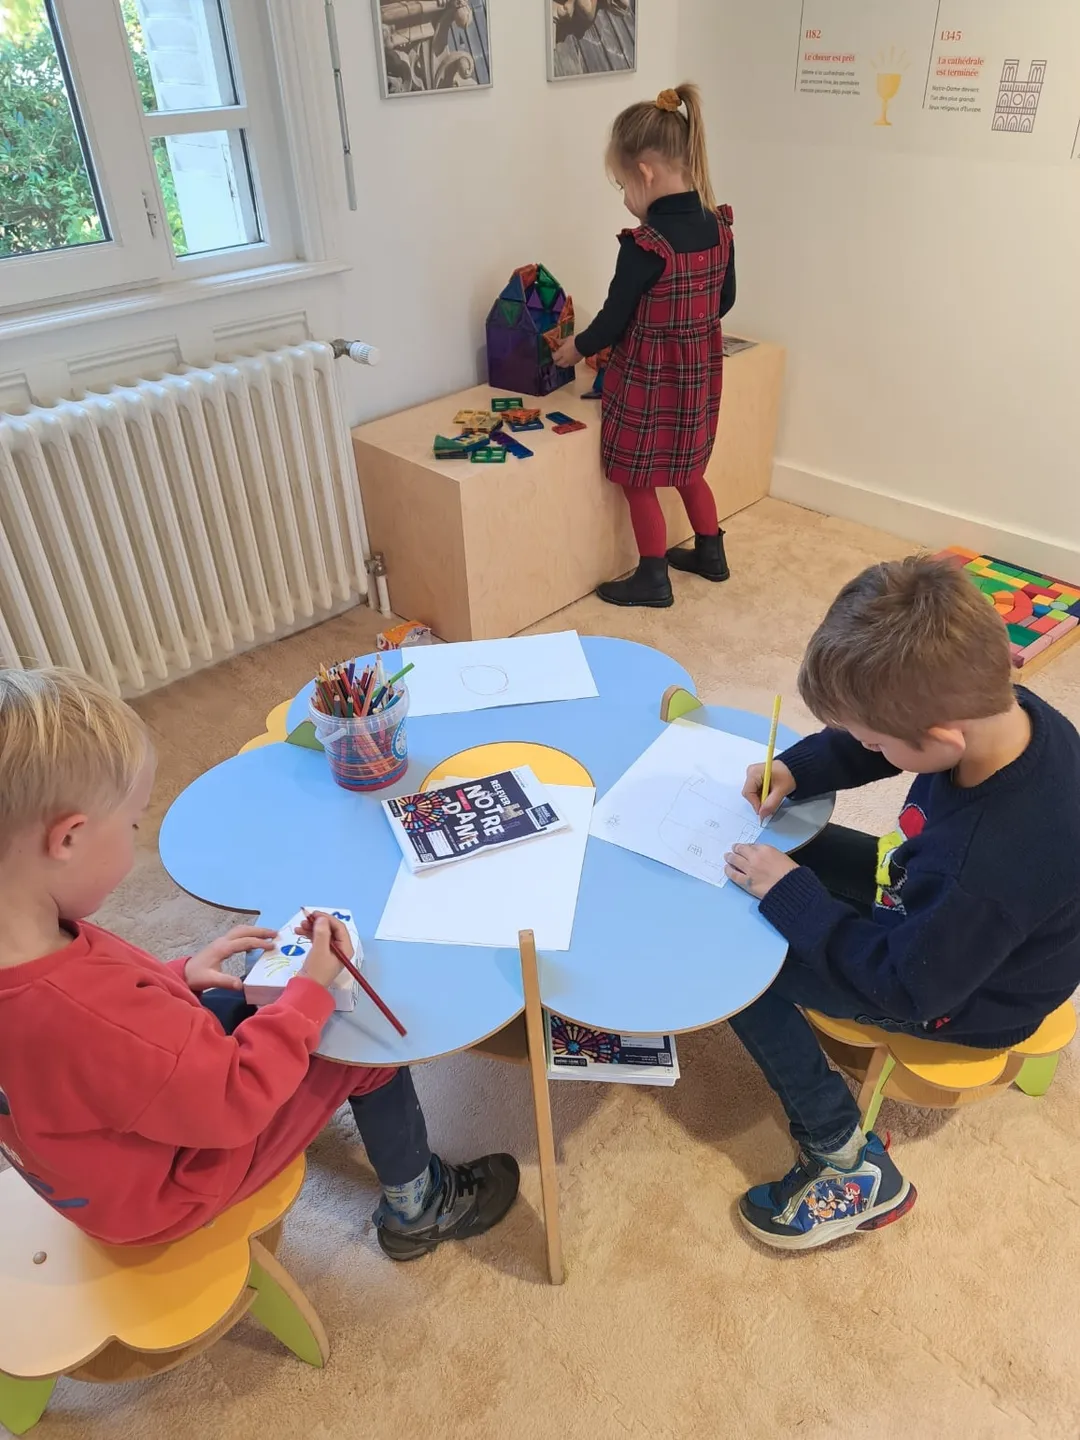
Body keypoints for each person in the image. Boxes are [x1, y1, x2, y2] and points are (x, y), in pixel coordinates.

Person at [0, 667, 519, 1257]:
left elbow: (103, 1040)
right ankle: (419, 1208)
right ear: (68, 838)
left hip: (100, 1169)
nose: (136, 833)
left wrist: (177, 978)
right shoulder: (93, 1017)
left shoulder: (29, 945)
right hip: (171, 1188)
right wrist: (311, 992)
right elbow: (232, 1101)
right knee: (361, 1043)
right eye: (134, 822)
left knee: (241, 994)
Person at [721, 556, 1080, 1250]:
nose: (866, 747)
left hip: (957, 992)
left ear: (941, 738)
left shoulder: (988, 864)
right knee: (793, 861)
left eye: (872, 739)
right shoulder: (1007, 714)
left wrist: (794, 899)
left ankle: (843, 1158)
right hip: (935, 919)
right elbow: (889, 743)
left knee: (743, 968)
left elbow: (908, 985)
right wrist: (800, 766)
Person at [553, 83, 736, 609]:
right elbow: (724, 300)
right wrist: (689, 329)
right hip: (698, 374)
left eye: (622, 184)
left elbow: (613, 319)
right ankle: (711, 554)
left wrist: (576, 348)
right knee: (690, 469)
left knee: (639, 479)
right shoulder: (719, 226)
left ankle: (653, 579)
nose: (625, 198)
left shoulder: (644, 246)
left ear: (646, 172)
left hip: (649, 379)